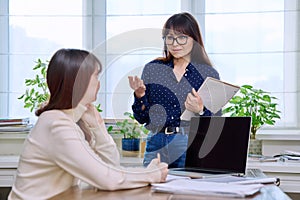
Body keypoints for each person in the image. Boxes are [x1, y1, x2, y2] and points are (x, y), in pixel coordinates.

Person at [8, 49, 168, 200]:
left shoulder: (73, 119)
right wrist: (151, 174)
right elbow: (107, 179)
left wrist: (97, 126)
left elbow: (110, 165)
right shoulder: (55, 124)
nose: (99, 84)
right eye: (96, 76)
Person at [128, 12, 220, 168]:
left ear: (194, 39)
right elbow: (142, 118)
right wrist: (140, 95)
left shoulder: (208, 74)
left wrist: (201, 110)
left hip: (189, 142)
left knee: (186, 190)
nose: (175, 43)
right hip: (156, 141)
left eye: (181, 37)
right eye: (169, 38)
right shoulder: (153, 69)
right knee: (152, 188)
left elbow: (216, 121)